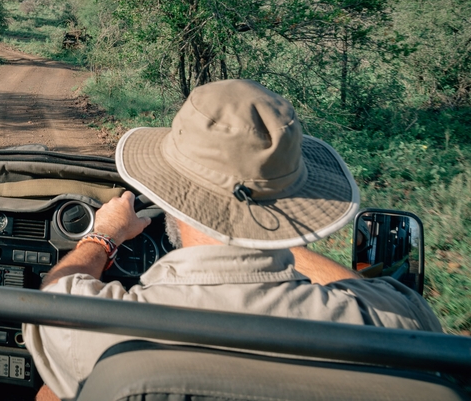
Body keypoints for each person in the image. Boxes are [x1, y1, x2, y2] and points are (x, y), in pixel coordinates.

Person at [23, 79, 442, 401]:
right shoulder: (399, 324)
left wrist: (101, 237)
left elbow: (57, 294)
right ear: (291, 201)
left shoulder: (91, 331)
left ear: (170, 191)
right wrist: (277, 241)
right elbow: (370, 292)